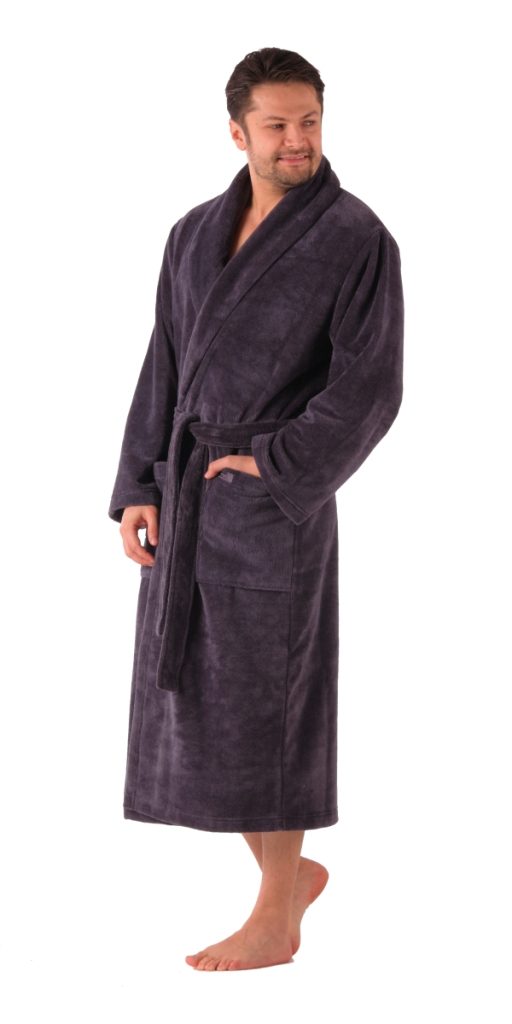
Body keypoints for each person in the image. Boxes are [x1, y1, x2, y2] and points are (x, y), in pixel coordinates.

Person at [108, 47, 404, 971]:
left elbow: (371, 386)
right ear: (237, 133)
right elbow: (164, 361)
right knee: (204, 704)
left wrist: (274, 466)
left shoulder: (356, 237)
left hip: (274, 504)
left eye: (309, 121)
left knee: (272, 706)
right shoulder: (193, 232)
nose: (296, 140)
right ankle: (292, 876)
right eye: (276, 125)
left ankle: (277, 914)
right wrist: (139, 484)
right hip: (189, 496)